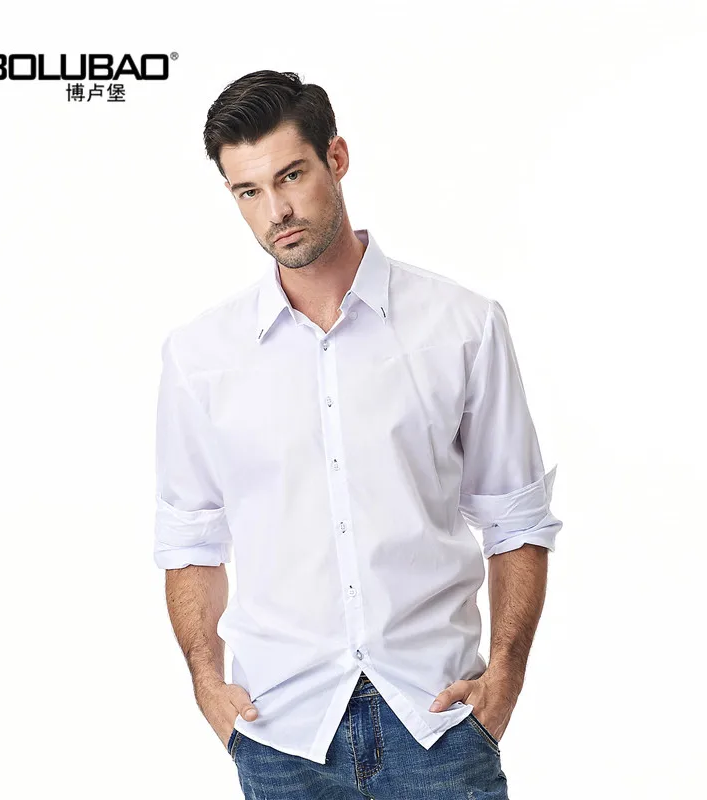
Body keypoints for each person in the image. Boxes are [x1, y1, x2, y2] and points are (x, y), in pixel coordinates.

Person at [153, 69, 563, 799]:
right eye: (248, 192)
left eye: (292, 175)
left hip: (437, 723)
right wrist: (207, 684)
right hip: (282, 735)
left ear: (336, 159)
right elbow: (190, 537)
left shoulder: (462, 326)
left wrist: (503, 679)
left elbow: (516, 520)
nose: (277, 210)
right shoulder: (200, 357)